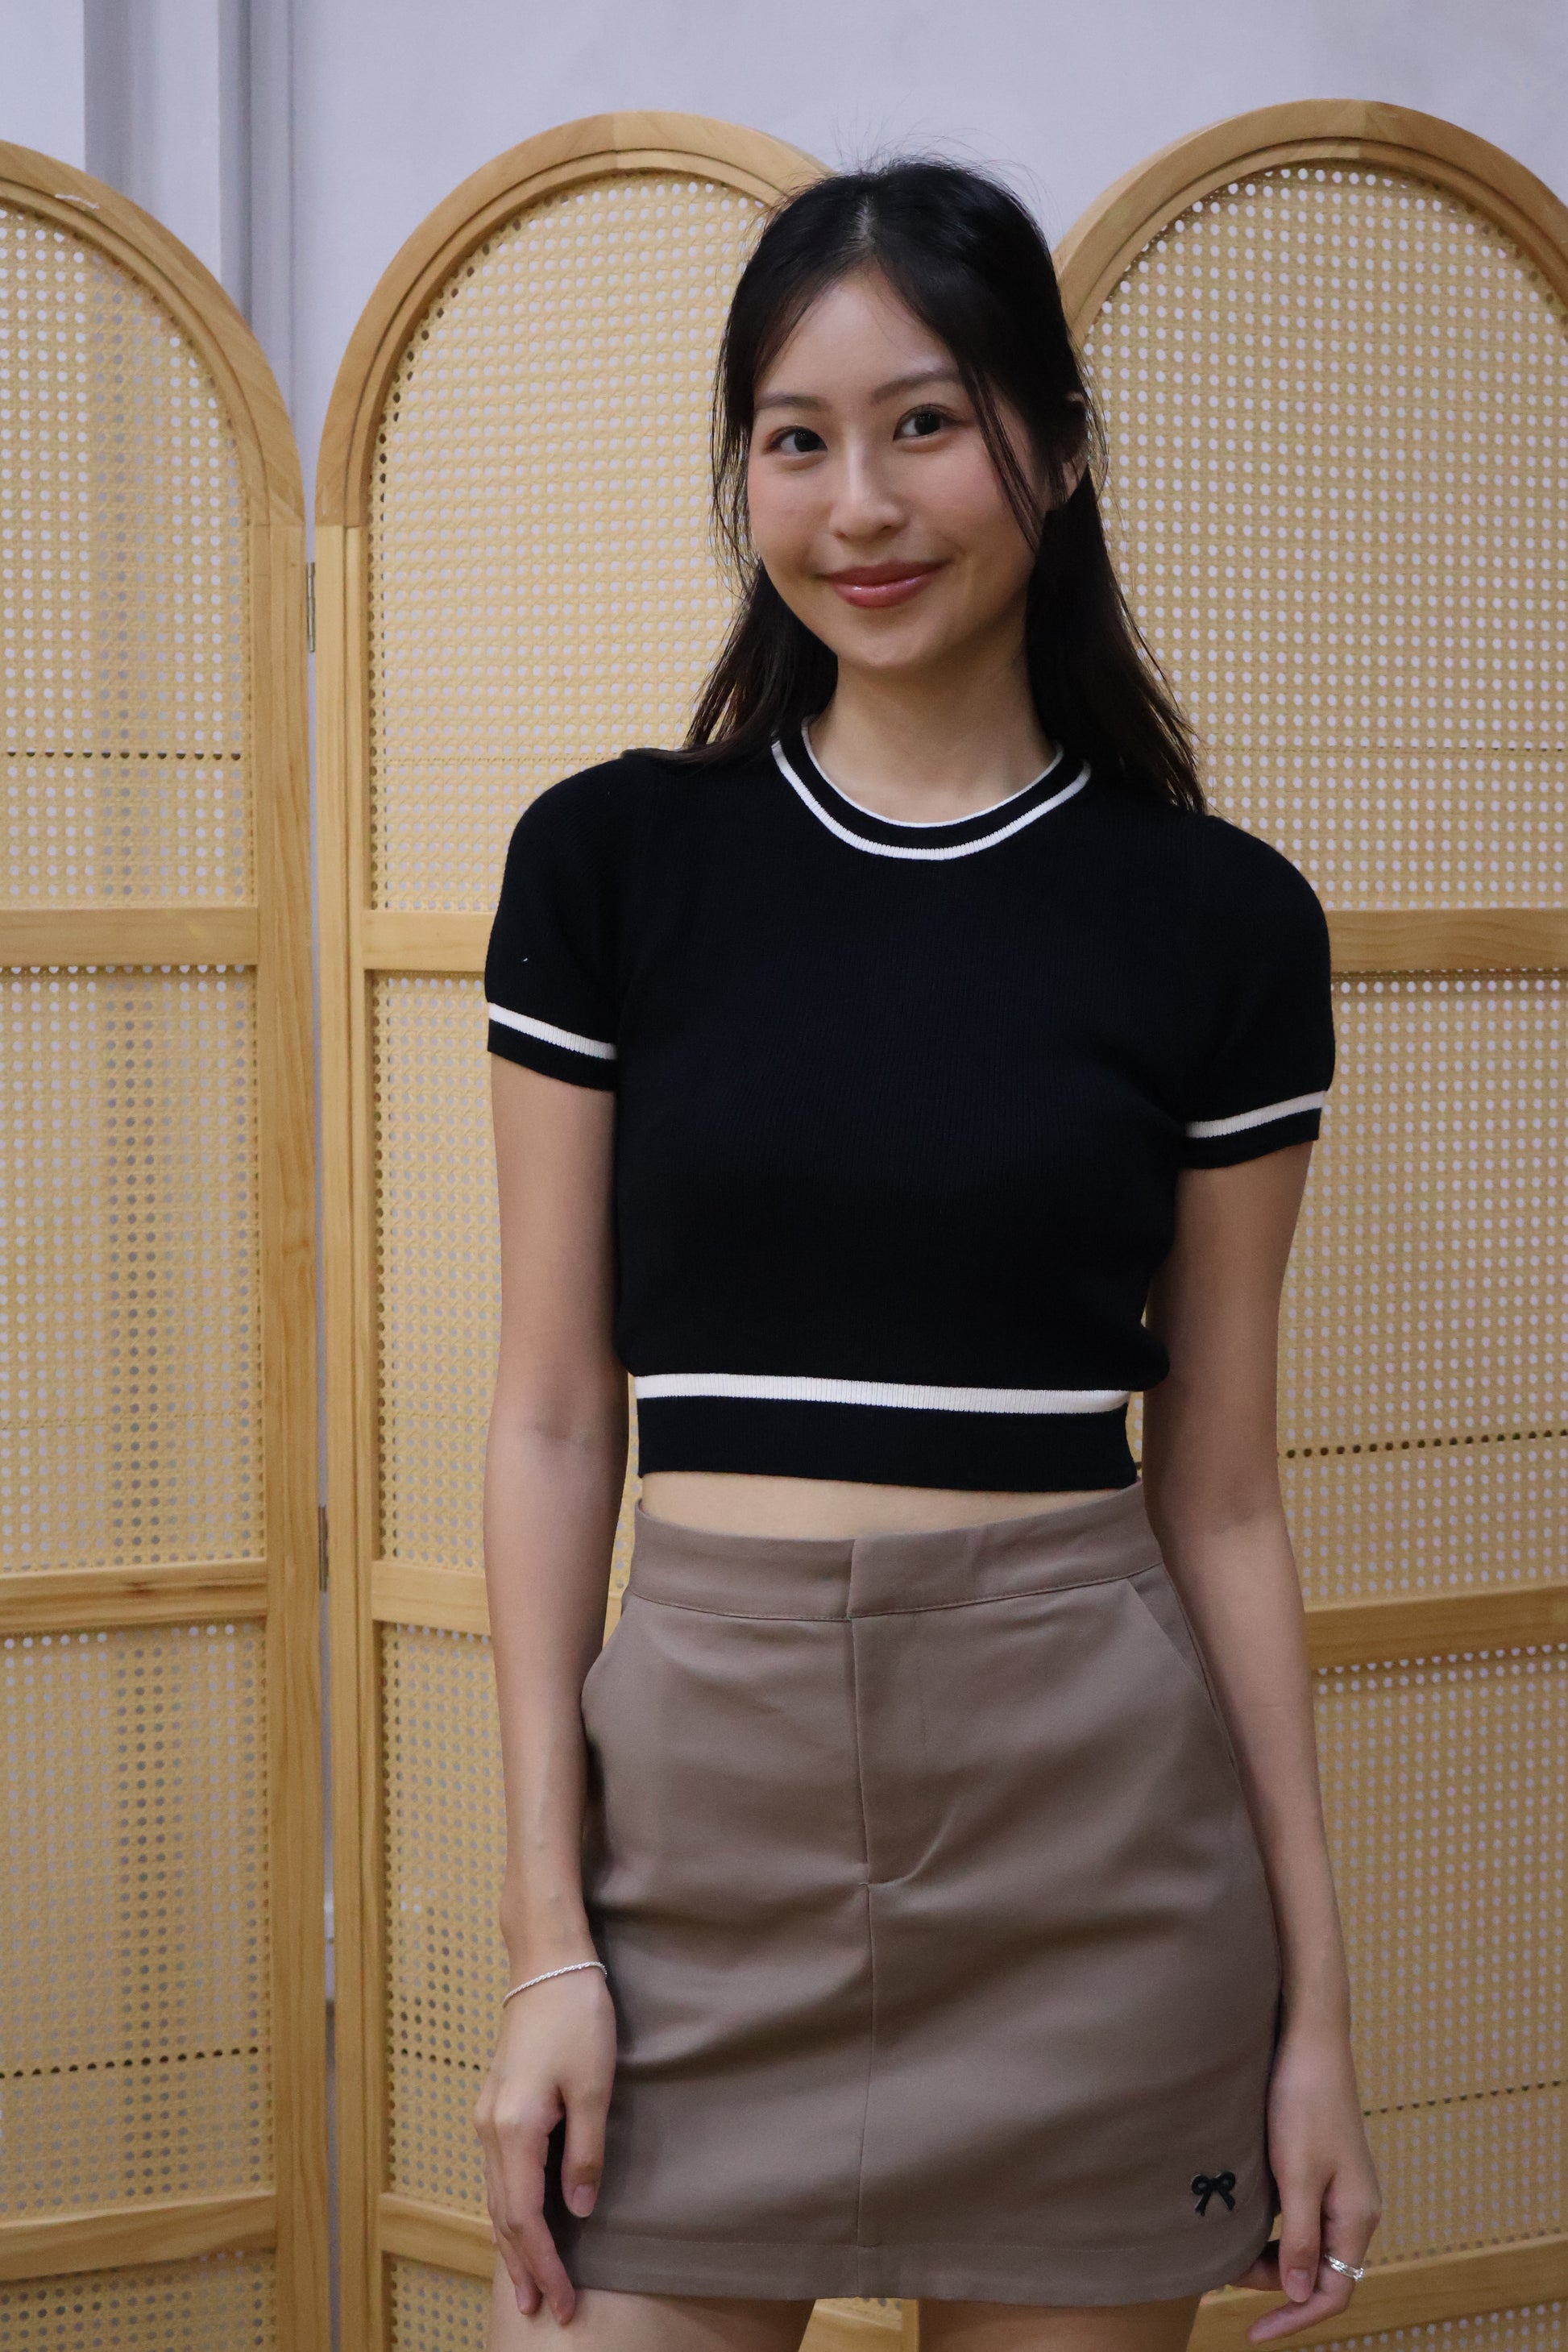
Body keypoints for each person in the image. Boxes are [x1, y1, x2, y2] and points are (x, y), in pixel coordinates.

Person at [474, 159, 1380, 2352]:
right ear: (744, 480)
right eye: (796, 439)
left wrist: (1316, 2016)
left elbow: (1224, 1492)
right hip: (691, 1845)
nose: (859, 505)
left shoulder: (1219, 922)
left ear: (1052, 446)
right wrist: (547, 1940)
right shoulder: (608, 864)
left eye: (926, 423)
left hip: (1093, 1854)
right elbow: (554, 1418)